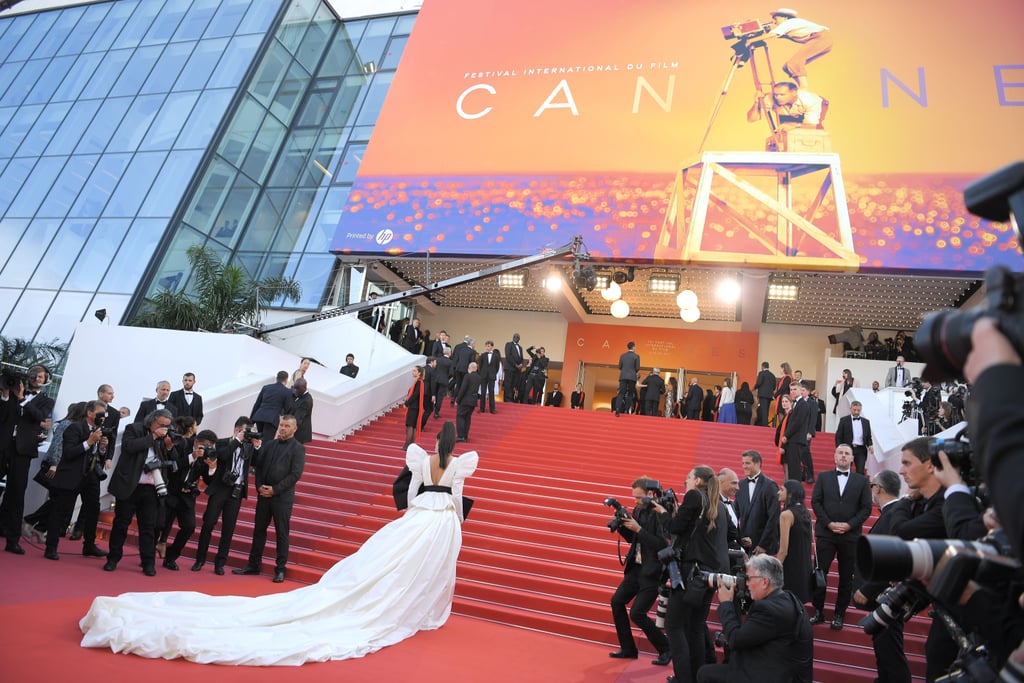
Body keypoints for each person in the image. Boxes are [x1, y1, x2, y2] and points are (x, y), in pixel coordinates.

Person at [81, 421, 478, 665]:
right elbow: (458, 500)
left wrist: (409, 514)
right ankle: (414, 604)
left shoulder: (421, 459)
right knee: (429, 566)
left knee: (394, 558)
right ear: (454, 441)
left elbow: (409, 495)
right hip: (441, 518)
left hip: (420, 513)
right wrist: (454, 520)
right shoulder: (459, 464)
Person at [696, 555, 813, 683]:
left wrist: (726, 603)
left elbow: (735, 639)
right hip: (782, 670)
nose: (746, 583)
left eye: (748, 578)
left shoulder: (768, 610)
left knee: (705, 674)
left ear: (764, 582)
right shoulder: (787, 599)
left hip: (772, 675)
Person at [663, 465, 728, 683]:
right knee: (695, 628)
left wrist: (664, 513)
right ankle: (698, 677)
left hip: (690, 572)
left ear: (699, 481)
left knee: (674, 626)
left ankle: (684, 678)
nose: (686, 480)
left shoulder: (694, 496)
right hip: (709, 573)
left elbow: (675, 526)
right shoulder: (717, 504)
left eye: (689, 477)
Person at [852, 469, 911, 683]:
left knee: (890, 652)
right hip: (882, 598)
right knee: (884, 650)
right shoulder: (892, 513)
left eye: (872, 486)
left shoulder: (895, 514)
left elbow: (891, 559)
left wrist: (867, 589)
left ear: (879, 489)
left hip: (884, 598)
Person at [104, 409, 178, 576]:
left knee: (148, 528)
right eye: (161, 425)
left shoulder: (164, 437)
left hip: (151, 488)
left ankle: (148, 563)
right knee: (121, 524)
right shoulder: (134, 429)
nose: (164, 429)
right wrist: (152, 437)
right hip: (130, 485)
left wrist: (169, 445)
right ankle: (113, 558)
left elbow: (173, 457)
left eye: (167, 426)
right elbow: (129, 447)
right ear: (152, 421)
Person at [233, 414, 305, 583]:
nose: (283, 428)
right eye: (282, 425)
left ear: (294, 429)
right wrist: (259, 487)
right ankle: (253, 565)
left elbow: (295, 474)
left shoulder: (298, 448)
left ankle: (280, 569)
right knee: (258, 531)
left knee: (282, 533)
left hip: (282, 498)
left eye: (287, 426)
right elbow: (258, 466)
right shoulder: (270, 444)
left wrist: (274, 490)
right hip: (263, 495)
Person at [608, 476, 671, 665]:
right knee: (617, 601)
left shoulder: (661, 513)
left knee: (637, 613)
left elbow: (661, 545)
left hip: (652, 571)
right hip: (635, 568)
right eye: (634, 498)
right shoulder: (638, 509)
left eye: (638, 497)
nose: (635, 501)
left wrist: (638, 529)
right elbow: (635, 540)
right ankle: (628, 648)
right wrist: (622, 527)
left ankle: (666, 648)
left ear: (650, 494)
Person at [809, 444, 871, 630]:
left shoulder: (861, 481)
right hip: (826, 533)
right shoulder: (824, 477)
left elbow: (866, 508)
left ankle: (839, 614)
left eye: (847, 454)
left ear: (852, 458)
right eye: (840, 453)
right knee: (820, 573)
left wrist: (849, 525)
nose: (843, 456)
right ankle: (818, 611)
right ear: (835, 456)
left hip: (850, 536)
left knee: (846, 577)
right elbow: (815, 502)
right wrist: (829, 523)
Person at [41, 400, 109, 560]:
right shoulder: (75, 428)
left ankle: (89, 545)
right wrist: (89, 441)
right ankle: (51, 547)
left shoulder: (99, 430)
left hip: (91, 475)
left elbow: (96, 455)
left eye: (104, 415)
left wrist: (102, 447)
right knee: (60, 510)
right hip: (71, 475)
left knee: (93, 510)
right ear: (90, 413)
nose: (103, 417)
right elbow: (69, 452)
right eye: (100, 414)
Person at [0, 365, 53, 555]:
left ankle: (12, 539)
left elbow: (38, 417)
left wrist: (22, 398)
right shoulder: (12, 392)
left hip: (22, 451)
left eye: (41, 376)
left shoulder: (46, 401)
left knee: (16, 493)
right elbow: (4, 414)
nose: (37, 378)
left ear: (46, 379)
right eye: (34, 375)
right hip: (3, 445)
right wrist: (6, 393)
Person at [192, 419, 257, 575]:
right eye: (244, 431)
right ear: (236, 430)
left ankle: (220, 563)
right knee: (208, 523)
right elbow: (223, 455)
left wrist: (257, 445)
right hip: (220, 488)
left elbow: (258, 461)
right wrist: (237, 441)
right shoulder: (222, 443)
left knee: (228, 528)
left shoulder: (250, 448)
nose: (246, 434)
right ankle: (200, 560)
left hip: (237, 490)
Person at [157, 415, 199, 567]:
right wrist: (191, 457)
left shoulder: (200, 447)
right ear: (190, 428)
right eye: (195, 424)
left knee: (189, 526)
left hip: (187, 496)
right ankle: (149, 554)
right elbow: (173, 466)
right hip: (172, 490)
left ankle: (171, 556)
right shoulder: (180, 444)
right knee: (160, 523)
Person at [765, 8, 832, 89]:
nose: (774, 22)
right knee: (787, 67)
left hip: (821, 39)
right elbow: (778, 34)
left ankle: (804, 89)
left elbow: (773, 35)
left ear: (785, 18)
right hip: (824, 41)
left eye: (776, 19)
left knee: (794, 63)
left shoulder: (789, 22)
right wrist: (767, 32)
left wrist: (751, 40)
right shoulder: (791, 25)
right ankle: (800, 87)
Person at [734, 450, 780, 556]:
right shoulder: (740, 485)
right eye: (743, 463)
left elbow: (773, 517)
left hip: (763, 547)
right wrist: (739, 539)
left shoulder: (770, 486)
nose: (744, 466)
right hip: (745, 545)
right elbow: (735, 514)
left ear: (758, 464)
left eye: (747, 463)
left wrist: (763, 544)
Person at [776, 480, 812, 604]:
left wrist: (774, 569)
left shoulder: (786, 515)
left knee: (786, 604)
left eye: (782, 490)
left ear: (790, 494)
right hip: (803, 565)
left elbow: (783, 550)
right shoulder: (805, 512)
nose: (778, 492)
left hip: (790, 567)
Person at [747, 80, 826, 130]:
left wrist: (794, 126)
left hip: (817, 107)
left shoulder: (810, 100)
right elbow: (751, 119)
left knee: (816, 130)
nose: (777, 97)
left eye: (782, 95)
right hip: (788, 114)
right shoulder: (770, 98)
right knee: (784, 133)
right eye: (776, 94)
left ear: (794, 93)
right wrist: (756, 103)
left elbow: (811, 126)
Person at [250, 370, 293, 440]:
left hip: (259, 416)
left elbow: (257, 404)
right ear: (286, 380)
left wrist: (251, 421)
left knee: (259, 440)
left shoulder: (266, 387)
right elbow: (288, 408)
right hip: (272, 420)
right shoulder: (287, 392)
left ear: (277, 378)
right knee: (267, 442)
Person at [835, 400, 873, 475]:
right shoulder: (844, 420)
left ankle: (859, 486)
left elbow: (868, 436)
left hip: (861, 450)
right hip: (848, 448)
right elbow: (838, 436)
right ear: (851, 409)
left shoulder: (866, 422)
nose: (856, 412)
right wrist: (839, 447)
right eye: (854, 410)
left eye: (858, 410)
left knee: (860, 470)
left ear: (861, 410)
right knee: (845, 469)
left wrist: (870, 445)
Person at [774, 394, 799, 481]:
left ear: (791, 403)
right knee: (785, 470)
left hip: (788, 446)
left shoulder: (791, 415)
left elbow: (789, 432)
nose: (784, 403)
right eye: (783, 402)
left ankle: (788, 489)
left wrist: (783, 446)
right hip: (784, 445)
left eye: (786, 401)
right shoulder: (786, 415)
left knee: (787, 469)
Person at [455, 361, 481, 442]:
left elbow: (463, 389)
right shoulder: (479, 377)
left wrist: (458, 400)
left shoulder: (467, 376)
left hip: (465, 400)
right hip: (473, 401)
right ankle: (465, 436)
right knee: (467, 418)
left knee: (460, 416)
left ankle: (460, 436)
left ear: (470, 368)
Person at [402, 366, 427, 450]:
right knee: (412, 426)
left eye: (414, 371)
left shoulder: (419, 382)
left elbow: (415, 395)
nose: (413, 372)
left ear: (419, 373)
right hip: (415, 407)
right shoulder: (419, 382)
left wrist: (407, 403)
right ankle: (410, 445)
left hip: (413, 407)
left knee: (410, 426)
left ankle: (407, 445)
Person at [615, 341, 640, 417]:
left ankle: (617, 409)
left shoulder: (622, 356)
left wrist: (625, 370)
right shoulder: (636, 356)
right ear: (633, 347)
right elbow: (637, 368)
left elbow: (620, 367)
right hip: (632, 377)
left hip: (623, 376)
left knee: (621, 393)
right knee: (630, 394)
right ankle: (626, 410)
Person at [477, 341, 501, 414]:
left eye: (489, 346)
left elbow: (497, 366)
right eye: (486, 346)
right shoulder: (483, 355)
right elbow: (480, 365)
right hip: (483, 376)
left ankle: (492, 409)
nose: (487, 347)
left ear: (492, 347)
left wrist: (493, 373)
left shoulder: (496, 356)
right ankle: (482, 408)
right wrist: (482, 373)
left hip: (492, 376)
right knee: (483, 392)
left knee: (491, 392)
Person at [289, 377, 314, 444]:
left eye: (297, 388)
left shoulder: (306, 400)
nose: (295, 390)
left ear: (304, 388)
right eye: (295, 388)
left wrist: (289, 430)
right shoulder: (300, 396)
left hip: (299, 434)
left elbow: (298, 419)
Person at [431, 348, 453, 418]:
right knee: (440, 397)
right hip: (444, 381)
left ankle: (432, 407)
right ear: (449, 353)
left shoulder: (438, 359)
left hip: (436, 379)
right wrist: (447, 378)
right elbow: (451, 373)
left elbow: (434, 368)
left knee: (434, 394)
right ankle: (436, 412)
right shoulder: (450, 362)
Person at [753, 362, 776, 427]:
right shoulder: (772, 375)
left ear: (762, 367)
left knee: (763, 410)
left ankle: (764, 425)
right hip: (769, 396)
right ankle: (765, 424)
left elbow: (759, 382)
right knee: (766, 410)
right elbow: (774, 387)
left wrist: (755, 388)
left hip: (762, 395)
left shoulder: (761, 373)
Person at [503, 333, 524, 402]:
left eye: (518, 337)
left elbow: (521, 358)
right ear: (513, 337)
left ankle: (512, 399)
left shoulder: (520, 347)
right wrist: (515, 364)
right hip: (510, 368)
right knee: (508, 384)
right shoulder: (508, 344)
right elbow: (508, 356)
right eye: (515, 337)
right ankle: (507, 400)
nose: (516, 338)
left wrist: (521, 364)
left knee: (514, 384)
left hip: (517, 370)